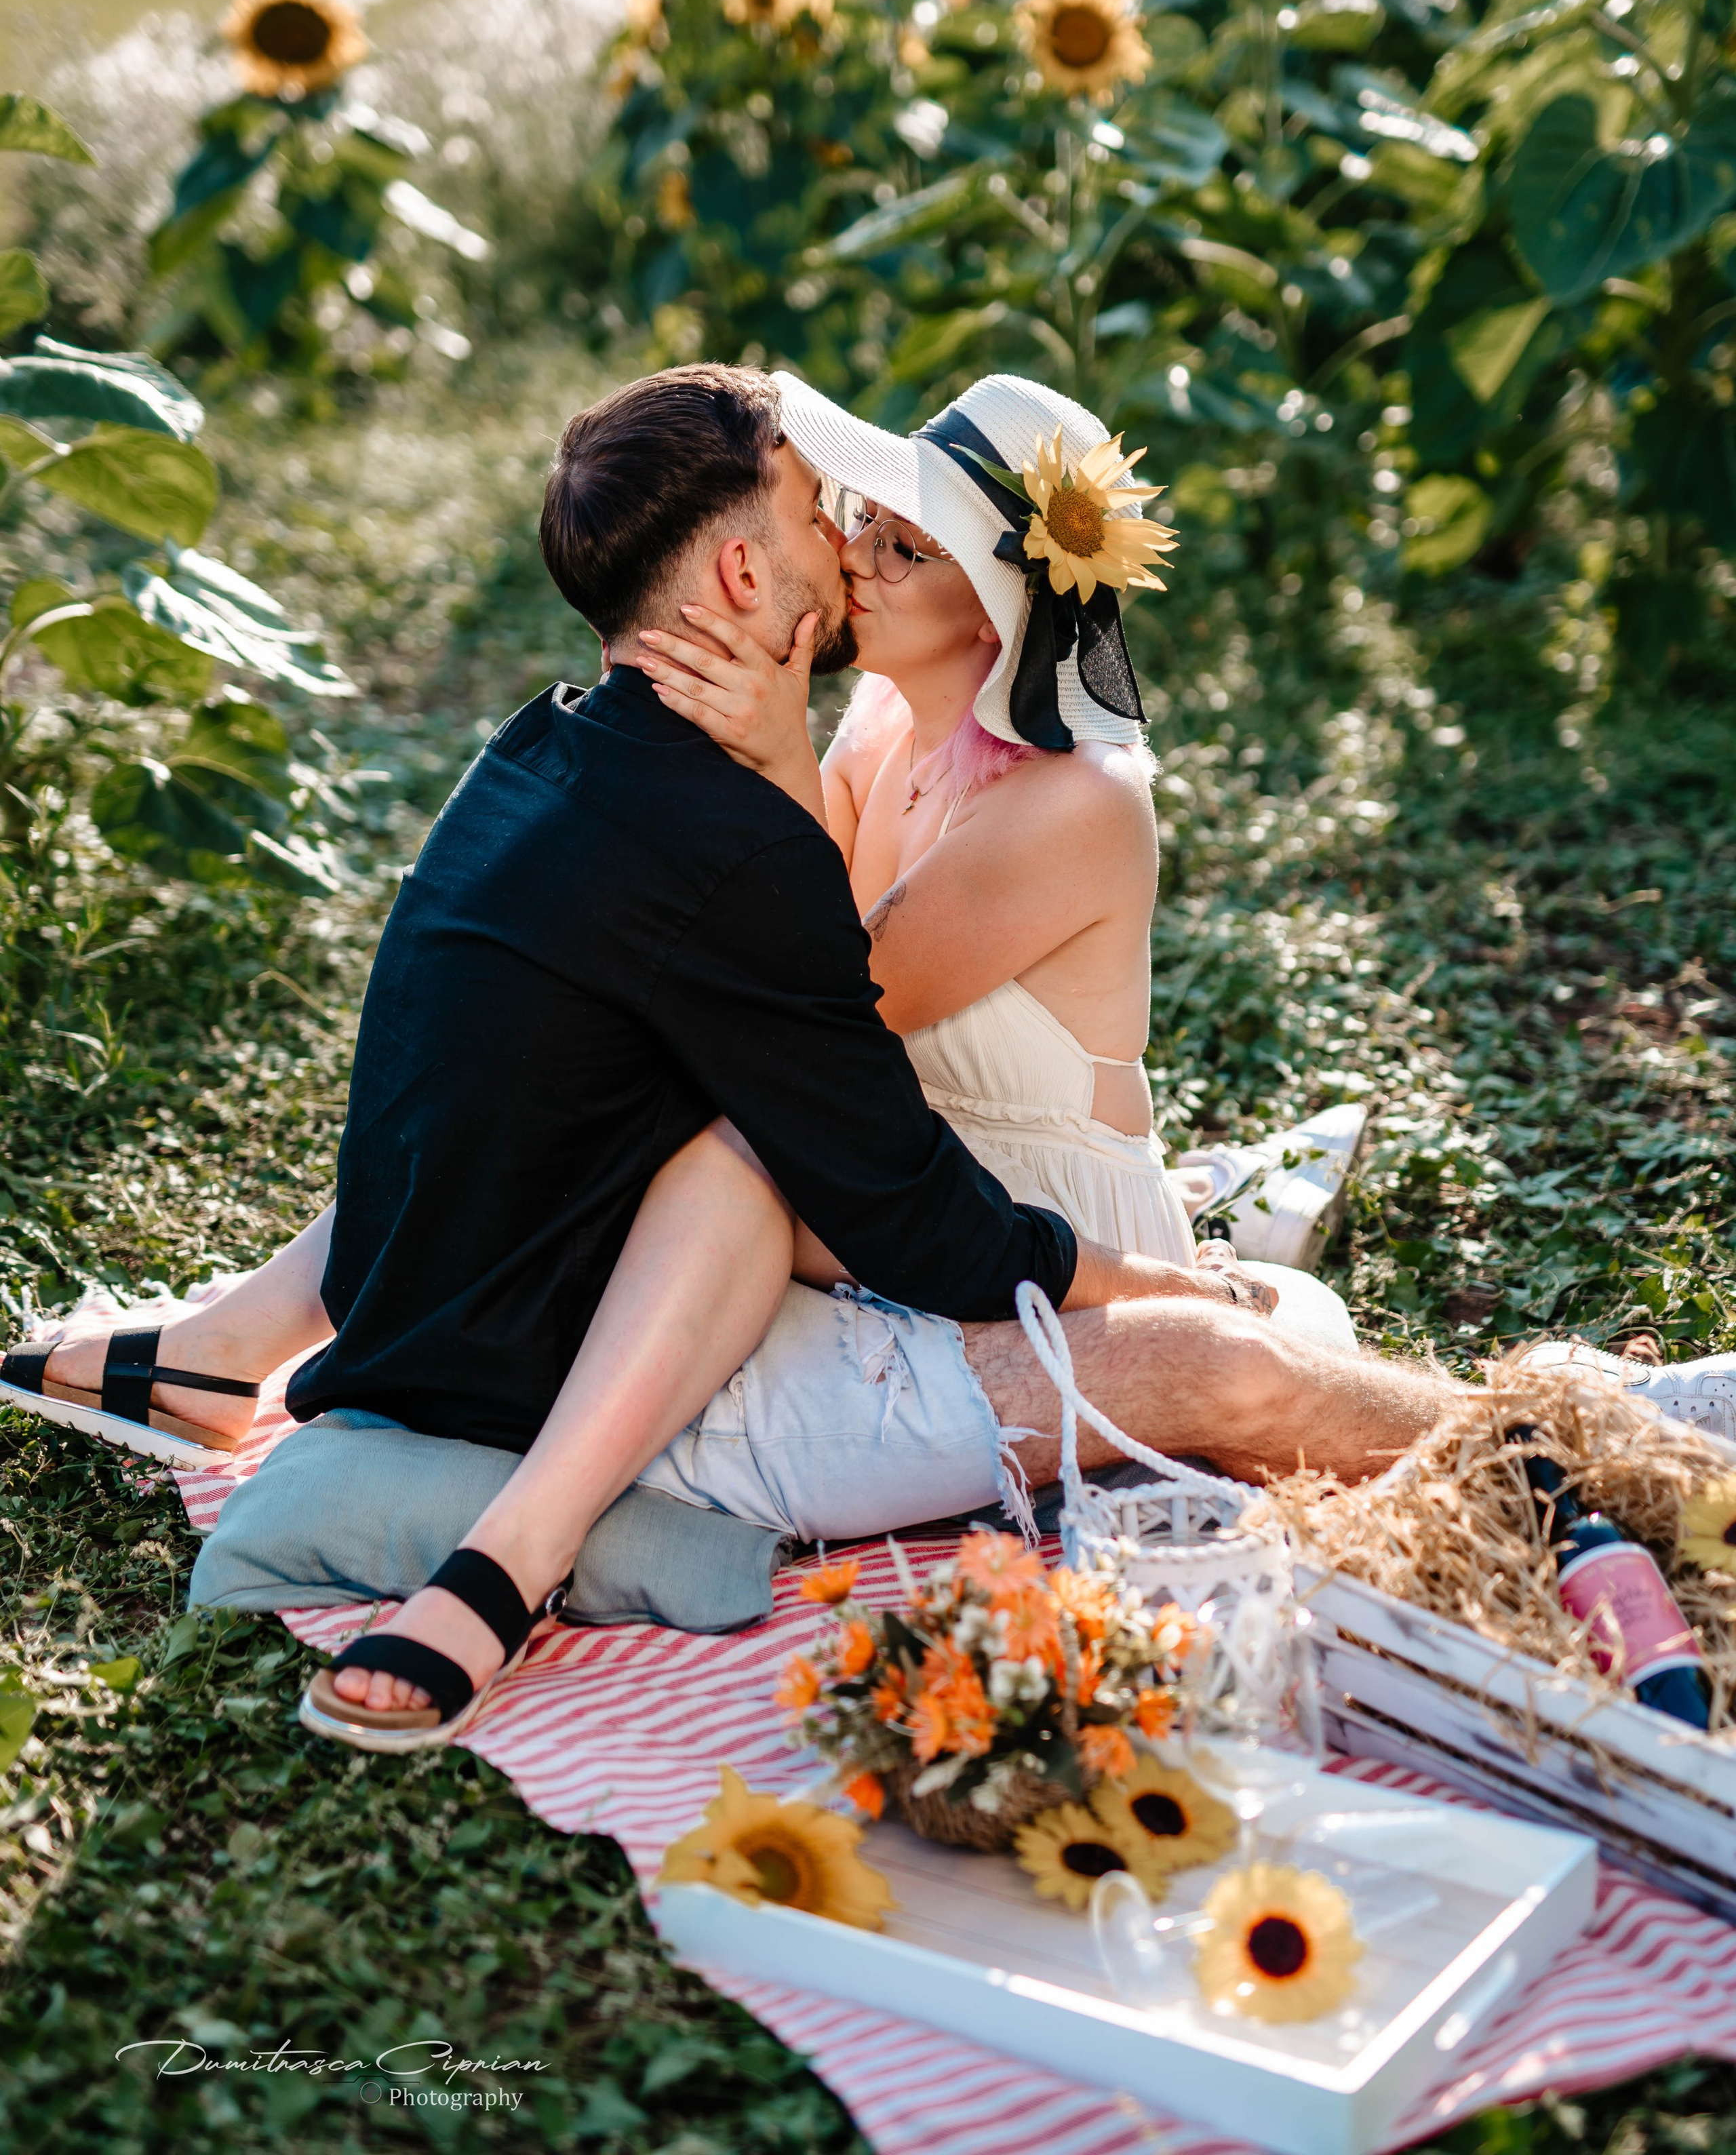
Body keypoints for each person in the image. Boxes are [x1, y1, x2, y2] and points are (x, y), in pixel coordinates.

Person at [0, 370, 1565, 1749]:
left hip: (932, 1219)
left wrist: (763, 760)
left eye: (899, 532)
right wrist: (774, 762)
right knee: (650, 1106)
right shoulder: (852, 747)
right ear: (750, 567)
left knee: (1207, 1343)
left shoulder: (593, 748)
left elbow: (823, 1029)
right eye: (847, 517)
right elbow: (824, 1058)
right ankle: (269, 1376)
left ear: (1000, 599)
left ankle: (1572, 1451)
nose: (859, 543)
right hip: (876, 1219)